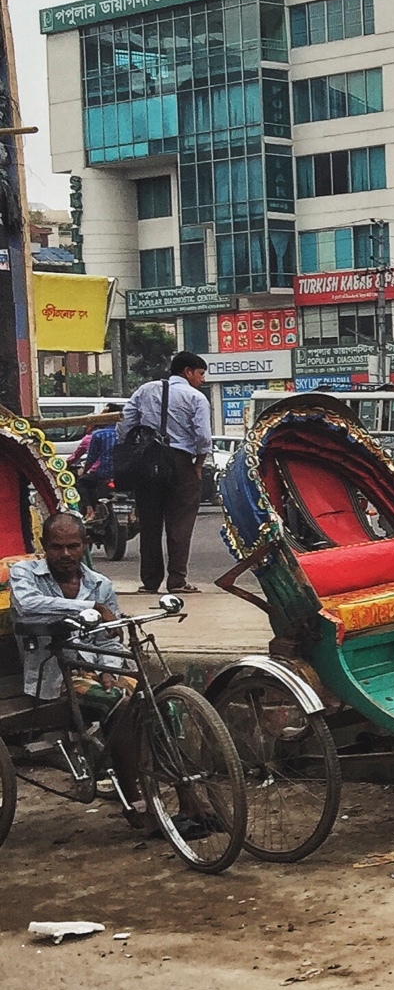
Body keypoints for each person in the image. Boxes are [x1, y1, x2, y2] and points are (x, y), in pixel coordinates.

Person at [6, 513, 152, 830]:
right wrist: (89, 610)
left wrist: (108, 669)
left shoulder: (100, 584)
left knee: (157, 701)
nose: (66, 554)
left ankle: (186, 792)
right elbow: (29, 605)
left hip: (94, 669)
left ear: (85, 545)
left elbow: (110, 640)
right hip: (55, 678)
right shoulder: (24, 573)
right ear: (45, 547)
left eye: (73, 546)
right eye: (57, 547)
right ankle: (135, 800)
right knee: (119, 704)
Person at [118, 352, 210, 594]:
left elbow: (126, 422)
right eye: (200, 374)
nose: (201, 380)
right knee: (180, 524)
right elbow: (203, 437)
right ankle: (177, 581)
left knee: (149, 524)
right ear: (187, 371)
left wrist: (133, 448)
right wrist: (198, 464)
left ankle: (150, 582)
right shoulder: (196, 397)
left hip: (147, 460)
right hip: (181, 461)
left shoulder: (145, 390)